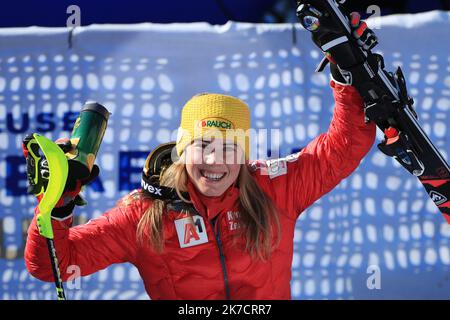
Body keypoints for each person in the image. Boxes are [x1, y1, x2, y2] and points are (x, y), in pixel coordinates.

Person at [24, 9, 377, 300]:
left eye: (229, 147)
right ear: (182, 150)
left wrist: (345, 73)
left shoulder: (275, 189)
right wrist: (58, 204)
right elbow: (53, 265)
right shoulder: (143, 214)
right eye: (203, 145)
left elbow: (343, 147)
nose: (214, 161)